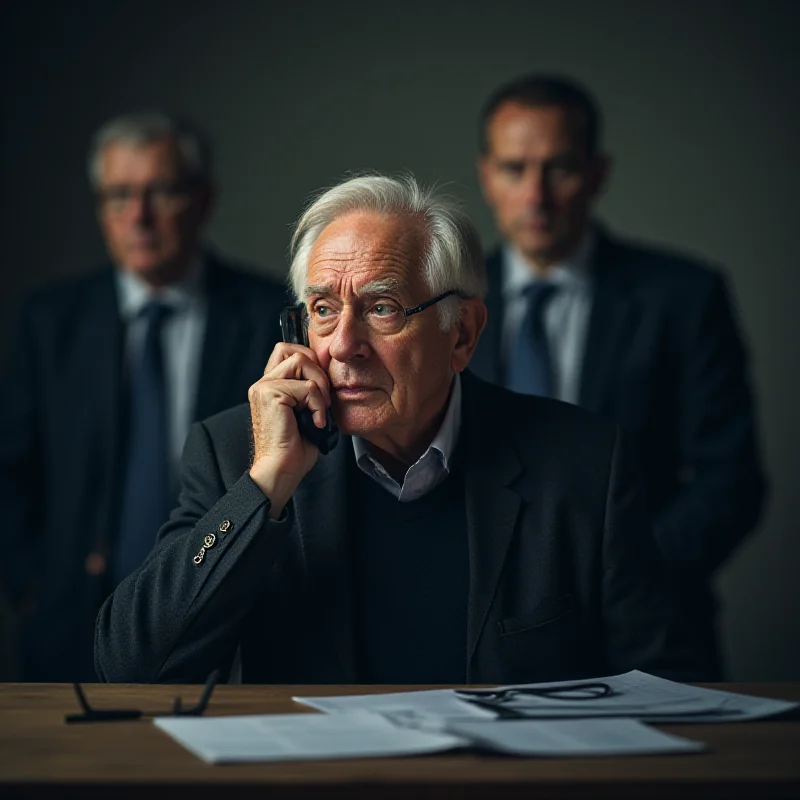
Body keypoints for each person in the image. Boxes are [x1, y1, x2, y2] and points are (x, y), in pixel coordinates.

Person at [96, 174, 699, 685]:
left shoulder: (583, 462)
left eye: (382, 308)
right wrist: (263, 490)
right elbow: (130, 667)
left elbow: (662, 689)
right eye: (324, 310)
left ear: (461, 334)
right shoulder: (238, 452)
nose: (343, 347)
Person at [470, 75, 767, 680]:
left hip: (654, 632)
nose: (536, 195)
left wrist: (623, 573)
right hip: (480, 633)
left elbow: (731, 482)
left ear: (599, 174)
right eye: (514, 169)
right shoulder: (445, 303)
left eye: (560, 168)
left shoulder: (683, 297)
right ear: (485, 176)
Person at [0, 111, 288, 681]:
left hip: (221, 610)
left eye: (162, 192)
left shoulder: (265, 313)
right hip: (69, 624)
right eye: (119, 195)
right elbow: (11, 467)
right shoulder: (51, 321)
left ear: (204, 200)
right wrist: (31, 586)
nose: (139, 216)